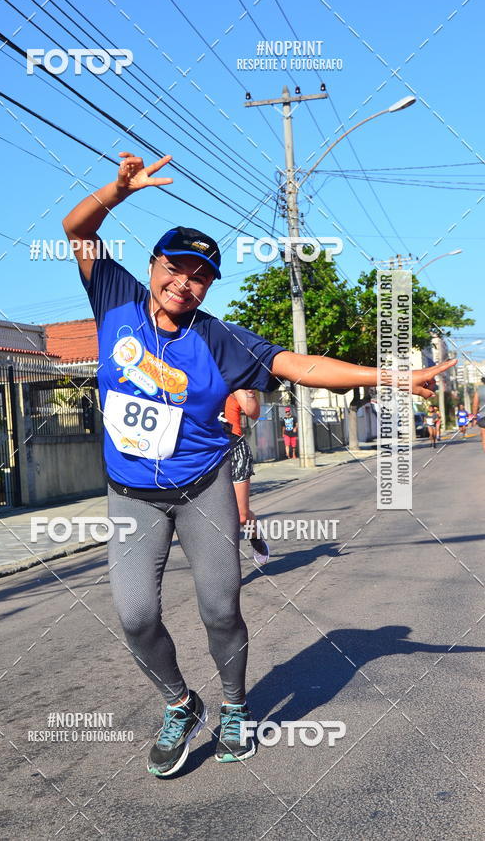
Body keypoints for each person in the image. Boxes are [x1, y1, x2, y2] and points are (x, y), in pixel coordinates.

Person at [62, 152, 455, 779]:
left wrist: (395, 375)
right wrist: (117, 190)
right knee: (135, 616)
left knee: (220, 608)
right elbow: (78, 231)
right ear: (152, 266)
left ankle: (236, 704)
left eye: (199, 276)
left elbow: (301, 366)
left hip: (203, 485)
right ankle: (181, 703)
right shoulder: (115, 299)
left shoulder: (220, 339)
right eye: (175, 268)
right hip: (131, 491)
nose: (183, 283)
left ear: (209, 287)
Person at [222, 390, 269, 567]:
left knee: (241, 516)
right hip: (205, 452)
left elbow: (253, 412)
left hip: (234, 450)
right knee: (216, 515)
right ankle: (226, 568)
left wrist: (248, 389)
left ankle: (255, 537)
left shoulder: (232, 376)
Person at [472, 376, 485, 453]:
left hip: (483, 416)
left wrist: (474, 417)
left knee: (484, 437)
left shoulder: (479, 390)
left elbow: (475, 405)